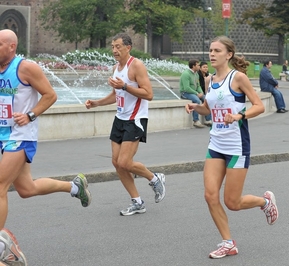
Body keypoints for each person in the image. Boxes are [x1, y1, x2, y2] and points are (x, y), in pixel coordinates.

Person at [0, 29, 91, 265]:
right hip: (2, 135)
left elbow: (50, 95)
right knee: (26, 189)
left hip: (20, 136)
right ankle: (74, 186)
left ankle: (2, 247)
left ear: (11, 47)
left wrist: (30, 115)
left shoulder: (25, 68)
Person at [185, 36, 279, 259]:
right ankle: (228, 243)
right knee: (210, 195)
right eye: (210, 50)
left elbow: (259, 106)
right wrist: (195, 107)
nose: (212, 54)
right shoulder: (208, 80)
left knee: (232, 202)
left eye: (217, 50)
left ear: (228, 54)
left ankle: (265, 202)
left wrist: (239, 115)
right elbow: (209, 109)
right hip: (215, 144)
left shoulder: (238, 78)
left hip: (237, 146)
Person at [85, 33, 166, 216]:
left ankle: (154, 178)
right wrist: (96, 103)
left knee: (125, 161)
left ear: (128, 47)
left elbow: (148, 94)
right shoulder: (116, 68)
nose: (114, 50)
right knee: (117, 163)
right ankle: (137, 202)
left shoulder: (136, 65)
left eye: (118, 46)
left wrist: (124, 87)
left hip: (135, 119)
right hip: (120, 119)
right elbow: (116, 95)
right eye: (112, 46)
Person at [180, 59, 212, 128]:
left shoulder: (196, 74)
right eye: (198, 65)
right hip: (185, 93)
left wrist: (201, 92)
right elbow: (186, 88)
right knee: (197, 100)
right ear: (193, 66)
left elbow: (198, 85)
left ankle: (208, 120)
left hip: (194, 93)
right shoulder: (186, 74)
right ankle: (196, 121)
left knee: (206, 98)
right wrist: (196, 93)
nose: (199, 66)